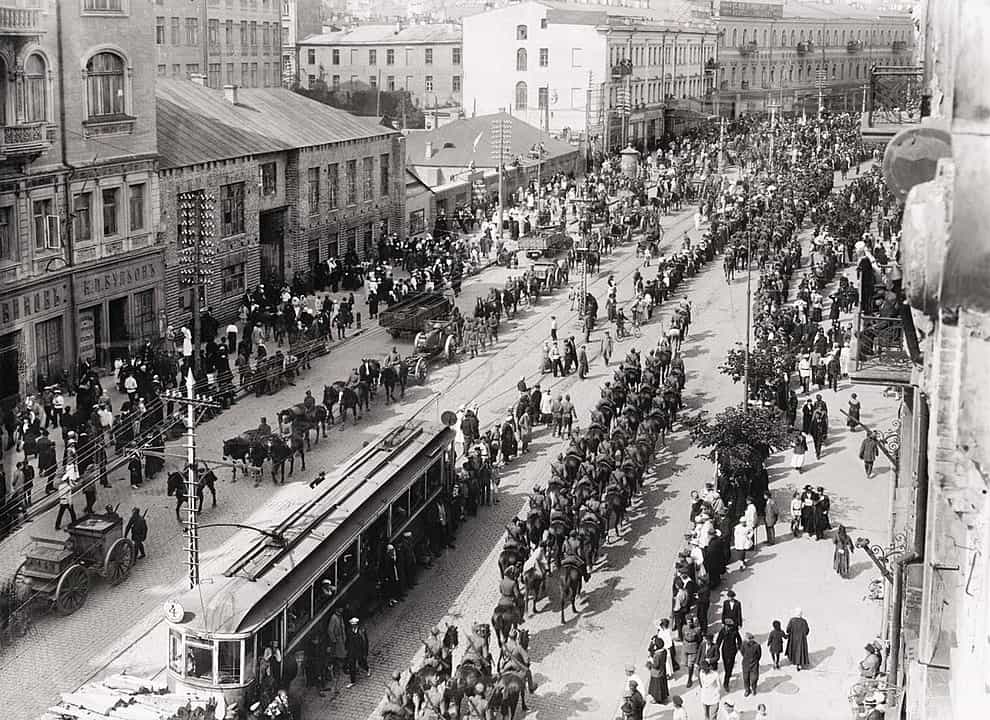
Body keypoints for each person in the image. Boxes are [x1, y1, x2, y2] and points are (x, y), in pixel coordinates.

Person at [716, 617, 741, 690]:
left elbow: (739, 640)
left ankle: (726, 683)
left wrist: (739, 647)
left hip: (733, 650)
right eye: (728, 626)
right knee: (726, 665)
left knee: (730, 666)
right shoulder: (723, 631)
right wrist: (716, 649)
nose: (729, 627)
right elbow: (719, 641)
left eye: (730, 626)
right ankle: (728, 674)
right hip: (725, 650)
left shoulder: (735, 631)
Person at [345, 616, 370, 687]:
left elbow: (365, 642)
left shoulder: (361, 631)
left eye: (354, 624)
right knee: (351, 665)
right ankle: (352, 681)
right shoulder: (349, 631)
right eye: (352, 624)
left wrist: (365, 652)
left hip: (359, 650)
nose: (352, 626)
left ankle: (367, 669)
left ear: (356, 624)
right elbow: (347, 640)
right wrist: (347, 648)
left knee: (361, 662)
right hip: (352, 651)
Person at [648, 639, 670, 704]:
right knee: (663, 685)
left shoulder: (657, 654)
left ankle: (656, 699)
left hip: (656, 673)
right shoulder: (664, 651)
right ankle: (664, 697)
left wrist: (650, 663)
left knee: (656, 687)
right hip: (663, 670)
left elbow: (656, 665)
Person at [740, 632, 762, 697]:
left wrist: (755, 661)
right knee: (745, 678)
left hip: (754, 665)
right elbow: (742, 652)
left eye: (751, 639)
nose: (749, 640)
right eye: (748, 639)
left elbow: (759, 655)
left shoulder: (757, 646)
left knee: (754, 678)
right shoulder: (744, 644)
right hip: (745, 664)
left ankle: (754, 688)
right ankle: (747, 690)